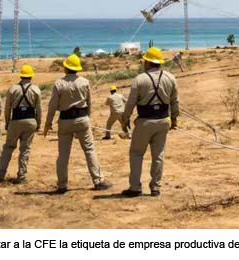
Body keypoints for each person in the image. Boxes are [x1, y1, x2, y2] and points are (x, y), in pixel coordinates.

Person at [45, 54, 112, 193]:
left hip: (65, 120)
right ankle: (98, 180)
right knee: (89, 150)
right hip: (82, 118)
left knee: (63, 154)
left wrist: (48, 123)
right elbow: (89, 102)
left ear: (65, 68)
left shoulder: (59, 84)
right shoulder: (84, 82)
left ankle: (62, 185)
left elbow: (52, 106)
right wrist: (88, 116)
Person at [120, 47, 179, 197]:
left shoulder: (139, 79)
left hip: (145, 121)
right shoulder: (170, 77)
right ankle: (155, 187)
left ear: (147, 62)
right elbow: (175, 101)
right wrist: (174, 120)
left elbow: (130, 103)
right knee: (158, 154)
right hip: (163, 120)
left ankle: (135, 187)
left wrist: (125, 119)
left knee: (136, 153)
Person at [0, 65, 41, 183]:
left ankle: (0, 174)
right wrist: (38, 123)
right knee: (25, 149)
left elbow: (7, 108)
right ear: (31, 76)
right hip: (30, 120)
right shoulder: (36, 89)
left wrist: (7, 122)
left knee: (8, 147)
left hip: (16, 120)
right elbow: (39, 109)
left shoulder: (13, 89)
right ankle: (22, 176)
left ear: (21, 75)